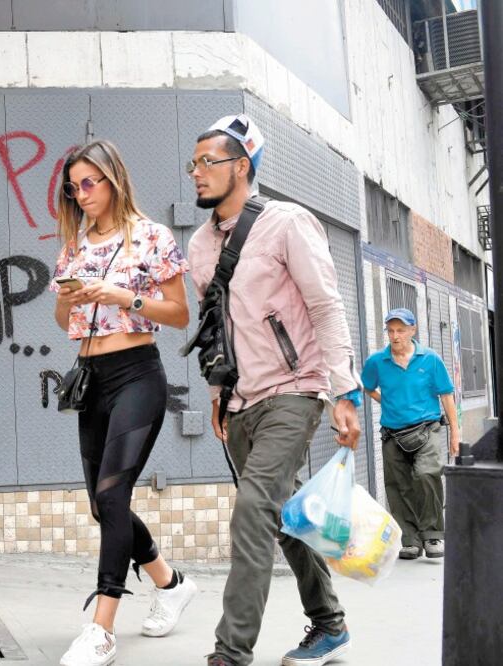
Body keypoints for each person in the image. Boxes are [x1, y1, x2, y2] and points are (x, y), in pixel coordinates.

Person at [186, 114, 362, 666]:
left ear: (242, 167)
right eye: (192, 164)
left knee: (253, 509)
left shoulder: (287, 222)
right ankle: (330, 624)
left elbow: (325, 306)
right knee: (286, 517)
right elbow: (214, 326)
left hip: (294, 390)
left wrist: (344, 390)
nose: (196, 173)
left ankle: (230, 651)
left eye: (208, 162)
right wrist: (216, 395)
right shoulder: (198, 244)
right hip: (240, 401)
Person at [51, 140, 195, 666]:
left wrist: (124, 298)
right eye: (74, 186)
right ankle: (170, 583)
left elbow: (179, 314)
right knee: (101, 504)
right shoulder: (74, 245)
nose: (81, 193)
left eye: (90, 182)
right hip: (91, 377)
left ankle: (101, 630)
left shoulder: (151, 236)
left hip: (138, 374)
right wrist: (70, 298)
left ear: (114, 179)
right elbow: (63, 324)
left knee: (113, 497)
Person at [361, 307, 458, 560]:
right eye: (391, 331)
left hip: (428, 429)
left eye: (401, 330)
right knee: (398, 486)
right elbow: (367, 387)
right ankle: (410, 540)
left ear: (412, 331)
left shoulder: (430, 359)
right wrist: (387, 401)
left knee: (427, 474)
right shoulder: (377, 362)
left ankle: (433, 533)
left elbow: (446, 396)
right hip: (392, 433)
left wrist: (455, 434)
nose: (395, 336)